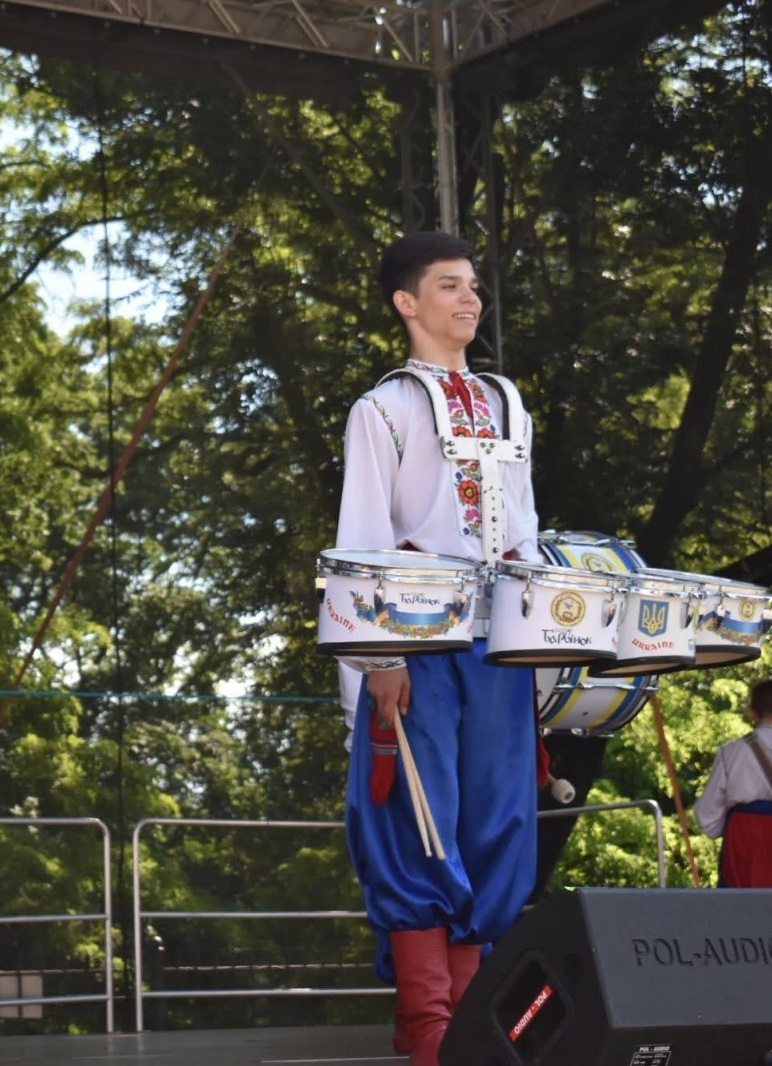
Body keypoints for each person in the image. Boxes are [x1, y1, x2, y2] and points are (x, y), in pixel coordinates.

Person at [334, 232, 541, 1066]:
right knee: (418, 820)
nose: (470, 299)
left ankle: (475, 1029)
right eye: (449, 286)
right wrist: (378, 651)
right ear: (406, 304)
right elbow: (365, 531)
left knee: (495, 819)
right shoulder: (380, 408)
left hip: (496, 634)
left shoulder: (505, 402)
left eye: (474, 286)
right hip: (416, 633)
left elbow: (522, 522)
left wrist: (543, 631)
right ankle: (434, 1035)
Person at [694, 679, 772, 887]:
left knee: (743, 905)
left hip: (744, 833)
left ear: (751, 712)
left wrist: (721, 828)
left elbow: (707, 812)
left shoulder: (730, 751)